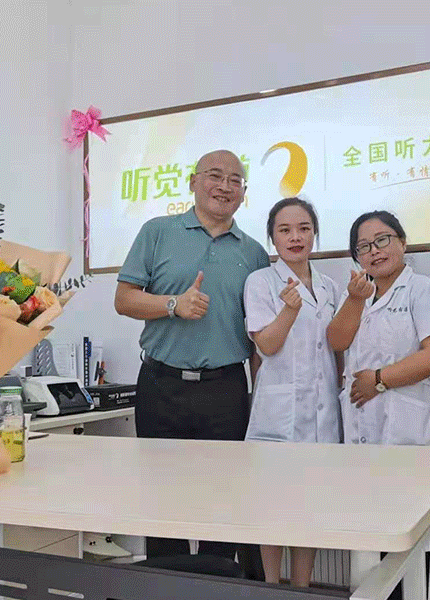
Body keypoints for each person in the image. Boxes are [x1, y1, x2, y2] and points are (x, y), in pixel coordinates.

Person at [114, 149, 270, 567]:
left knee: (225, 500)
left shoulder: (254, 253)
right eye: (215, 176)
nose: (224, 186)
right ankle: (166, 586)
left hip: (226, 389)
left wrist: (259, 398)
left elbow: (259, 335)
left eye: (235, 180)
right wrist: (173, 305)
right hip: (161, 385)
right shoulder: (157, 232)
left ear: (243, 193)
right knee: (162, 501)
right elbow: (124, 299)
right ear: (193, 182)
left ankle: (218, 587)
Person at [243, 197, 341, 586]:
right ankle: (271, 587)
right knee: (273, 507)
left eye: (303, 228)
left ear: (315, 233)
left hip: (323, 412)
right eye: (285, 230)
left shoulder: (331, 286)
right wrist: (289, 310)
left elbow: (336, 348)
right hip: (278, 415)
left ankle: (302, 589)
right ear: (273, 238)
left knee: (310, 508)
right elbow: (266, 346)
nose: (295, 237)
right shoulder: (260, 282)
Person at [327, 210, 430, 447]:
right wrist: (355, 300)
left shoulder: (425, 289)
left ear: (403, 242)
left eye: (382, 240)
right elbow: (337, 342)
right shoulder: (354, 295)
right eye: (364, 246)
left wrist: (379, 380)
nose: (374, 251)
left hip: (409, 424)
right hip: (360, 421)